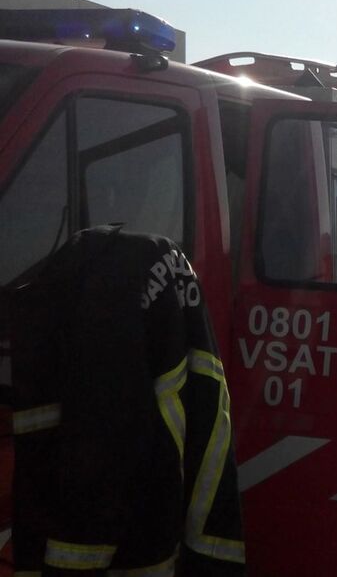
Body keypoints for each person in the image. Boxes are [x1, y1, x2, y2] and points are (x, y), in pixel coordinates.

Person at [10, 225, 244, 576]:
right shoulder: (160, 291)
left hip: (106, 544)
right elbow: (211, 436)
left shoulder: (78, 307)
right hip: (154, 540)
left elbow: (96, 452)